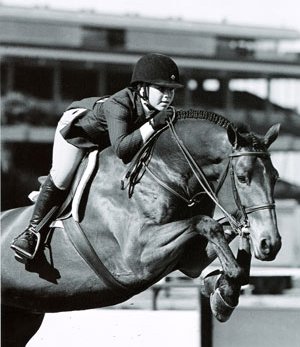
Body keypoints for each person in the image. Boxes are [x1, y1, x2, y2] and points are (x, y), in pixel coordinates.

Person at [11, 53, 183, 260]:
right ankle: (30, 233)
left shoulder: (157, 110)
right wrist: (153, 125)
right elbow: (122, 149)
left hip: (108, 138)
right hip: (78, 133)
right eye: (161, 89)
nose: (168, 95)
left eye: (171, 90)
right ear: (142, 88)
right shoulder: (118, 105)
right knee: (62, 177)